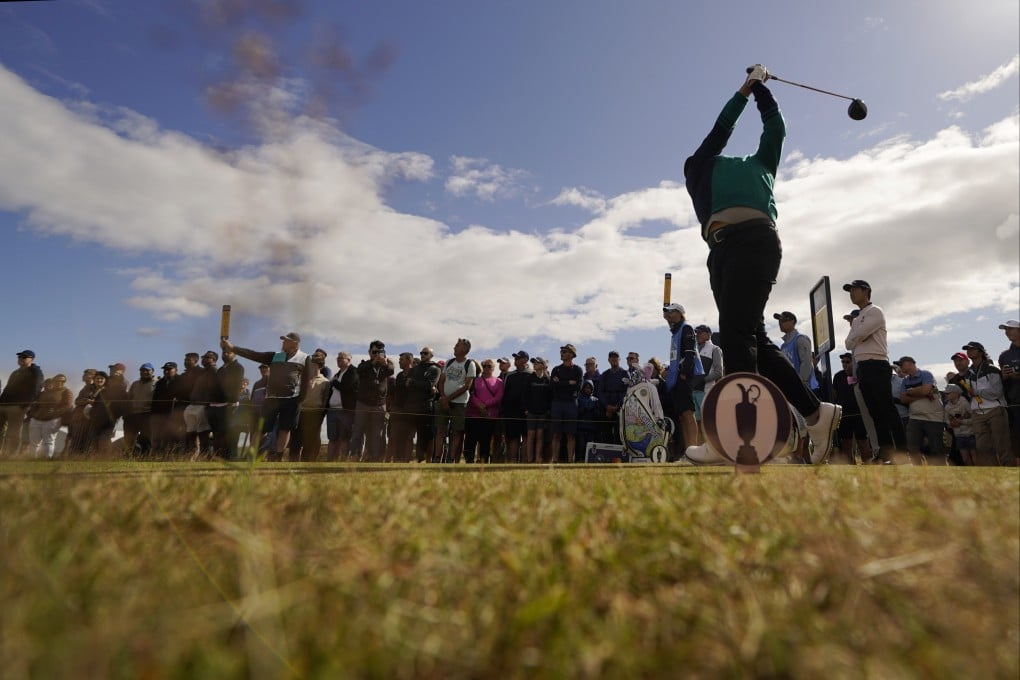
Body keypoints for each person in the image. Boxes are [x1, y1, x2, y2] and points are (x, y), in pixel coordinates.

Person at [682, 65, 841, 464]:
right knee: (752, 336)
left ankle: (737, 438)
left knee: (736, 334)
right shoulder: (698, 166)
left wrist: (761, 92)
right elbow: (720, 131)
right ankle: (815, 413)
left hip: (756, 241)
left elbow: (775, 130)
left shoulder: (763, 164)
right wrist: (744, 89)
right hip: (719, 253)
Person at [843, 280, 907, 462]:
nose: (851, 293)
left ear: (866, 291)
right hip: (863, 367)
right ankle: (886, 453)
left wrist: (858, 335)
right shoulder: (857, 319)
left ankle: (902, 452)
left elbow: (859, 335)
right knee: (874, 412)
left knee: (886, 409)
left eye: (854, 289)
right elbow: (848, 343)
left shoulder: (875, 311)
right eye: (850, 290)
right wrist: (858, 335)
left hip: (877, 364)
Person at [223, 331, 310, 462]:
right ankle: (250, 455)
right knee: (262, 428)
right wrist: (233, 348)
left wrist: (301, 399)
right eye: (283, 340)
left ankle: (278, 456)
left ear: (295, 344)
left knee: (285, 429)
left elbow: (307, 380)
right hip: (272, 399)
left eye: (286, 341)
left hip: (292, 399)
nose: (283, 343)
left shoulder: (305, 357)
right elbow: (254, 355)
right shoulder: (276, 356)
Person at [959, 341, 1011, 466]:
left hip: (995, 410)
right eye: (967, 349)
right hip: (977, 413)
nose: (969, 351)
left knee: (1002, 446)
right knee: (982, 448)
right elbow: (971, 395)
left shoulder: (992, 369)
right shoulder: (968, 373)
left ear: (981, 351)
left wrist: (976, 391)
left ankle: (1011, 475)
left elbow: (997, 392)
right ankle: (994, 478)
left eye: (972, 349)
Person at [662, 303, 701, 452]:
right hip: (676, 378)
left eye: (672, 312)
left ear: (680, 313)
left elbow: (689, 353)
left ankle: (694, 450)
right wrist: (669, 370)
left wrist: (684, 373)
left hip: (684, 377)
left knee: (688, 413)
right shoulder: (675, 331)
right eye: (668, 312)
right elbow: (676, 357)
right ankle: (688, 451)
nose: (669, 314)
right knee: (682, 416)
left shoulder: (686, 327)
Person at [896, 356, 945, 465]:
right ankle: (918, 472)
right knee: (912, 446)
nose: (900, 367)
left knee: (936, 448)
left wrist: (911, 391)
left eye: (901, 364)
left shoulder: (926, 374)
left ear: (910, 363)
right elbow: (903, 399)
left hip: (933, 417)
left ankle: (941, 473)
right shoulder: (905, 381)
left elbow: (926, 390)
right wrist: (922, 394)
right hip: (915, 417)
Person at [433, 338, 476, 463]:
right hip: (443, 400)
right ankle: (436, 457)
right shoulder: (449, 362)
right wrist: (443, 397)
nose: (454, 347)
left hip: (460, 403)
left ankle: (451, 458)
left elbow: (467, 386)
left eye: (457, 345)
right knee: (440, 430)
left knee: (456, 432)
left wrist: (448, 399)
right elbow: (441, 380)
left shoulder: (470, 364)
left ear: (464, 349)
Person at [351, 340, 394, 462]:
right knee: (358, 431)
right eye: (374, 352)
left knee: (377, 434)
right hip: (363, 403)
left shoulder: (387, 365)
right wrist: (373, 362)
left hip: (379, 404)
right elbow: (359, 371)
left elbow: (391, 370)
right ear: (369, 352)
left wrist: (384, 363)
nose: (376, 354)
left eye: (379, 352)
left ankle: (375, 459)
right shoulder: (364, 365)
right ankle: (354, 456)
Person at [0, 349, 45, 456]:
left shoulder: (35, 372)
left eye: (24, 357)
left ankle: (9, 454)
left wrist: (25, 404)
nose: (21, 359)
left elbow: (36, 389)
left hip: (18, 406)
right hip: (4, 405)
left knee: (12, 432)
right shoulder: (15, 373)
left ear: (32, 359)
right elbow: (7, 389)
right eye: (19, 357)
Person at [832, 353, 869, 464]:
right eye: (843, 362)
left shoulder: (860, 375)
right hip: (844, 414)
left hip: (859, 414)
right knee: (846, 443)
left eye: (847, 362)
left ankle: (868, 465)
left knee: (862, 442)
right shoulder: (838, 376)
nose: (844, 364)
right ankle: (850, 467)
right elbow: (835, 393)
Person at [464, 359, 504, 463]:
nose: (486, 368)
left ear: (493, 368)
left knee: (485, 440)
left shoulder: (499, 382)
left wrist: (485, 405)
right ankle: (469, 461)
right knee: (470, 440)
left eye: (489, 366)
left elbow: (499, 396)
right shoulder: (475, 380)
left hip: (490, 416)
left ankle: (483, 461)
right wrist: (480, 406)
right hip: (473, 415)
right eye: (484, 365)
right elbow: (471, 395)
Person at [550, 344, 583, 463]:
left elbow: (578, 387)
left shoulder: (578, 369)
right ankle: (555, 460)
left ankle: (570, 461)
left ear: (571, 354)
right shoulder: (556, 369)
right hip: (557, 403)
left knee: (571, 434)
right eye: (562, 351)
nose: (562, 353)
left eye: (564, 351)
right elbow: (553, 386)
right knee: (556, 434)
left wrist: (560, 383)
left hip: (571, 404)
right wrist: (569, 383)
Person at [27, 375, 73, 459]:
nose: (59, 382)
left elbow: (67, 406)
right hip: (36, 419)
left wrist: (55, 412)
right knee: (34, 441)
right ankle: (32, 459)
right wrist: (33, 414)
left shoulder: (66, 391)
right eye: (57, 381)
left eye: (62, 381)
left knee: (49, 441)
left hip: (52, 420)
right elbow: (35, 404)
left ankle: (47, 458)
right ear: (54, 381)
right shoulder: (45, 392)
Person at [692, 324, 723, 444]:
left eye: (700, 332)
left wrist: (702, 380)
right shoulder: (694, 349)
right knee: (697, 424)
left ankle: (712, 448)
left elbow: (718, 372)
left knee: (708, 423)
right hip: (693, 391)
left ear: (708, 334)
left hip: (706, 391)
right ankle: (699, 449)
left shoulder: (715, 349)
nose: (697, 335)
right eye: (697, 333)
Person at [295, 354, 330, 461]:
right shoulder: (302, 379)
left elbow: (325, 400)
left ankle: (306, 460)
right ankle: (293, 460)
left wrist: (321, 414)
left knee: (310, 440)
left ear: (316, 366)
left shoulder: (325, 382)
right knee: (296, 439)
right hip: (301, 411)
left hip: (315, 413)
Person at [325, 352, 358, 461]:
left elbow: (346, 387)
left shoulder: (353, 371)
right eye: (337, 358)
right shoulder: (338, 374)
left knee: (344, 438)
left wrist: (334, 382)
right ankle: (329, 461)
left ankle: (343, 461)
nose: (338, 360)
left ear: (349, 359)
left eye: (341, 358)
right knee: (332, 438)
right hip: (332, 410)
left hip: (345, 410)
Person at [500, 351, 532, 463]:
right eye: (515, 358)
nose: (516, 360)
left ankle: (524, 461)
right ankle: (512, 461)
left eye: (518, 358)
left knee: (526, 437)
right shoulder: (510, 375)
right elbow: (505, 393)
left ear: (525, 360)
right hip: (511, 411)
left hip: (526, 411)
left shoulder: (531, 374)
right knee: (513, 437)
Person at [774, 311, 817, 392]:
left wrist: (800, 385)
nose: (780, 323)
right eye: (779, 321)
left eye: (783, 320)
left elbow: (806, 363)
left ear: (792, 321)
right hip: (790, 388)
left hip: (802, 388)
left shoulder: (801, 339)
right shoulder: (783, 346)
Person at [997, 319, 1020, 461]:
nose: (1007, 332)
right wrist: (1004, 376)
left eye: (1010, 329)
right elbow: (1002, 382)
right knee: (1017, 438)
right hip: (1014, 403)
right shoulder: (1004, 355)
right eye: (1006, 330)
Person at [123, 363, 156, 456]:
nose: (144, 372)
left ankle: (145, 458)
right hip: (133, 415)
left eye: (147, 370)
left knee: (146, 438)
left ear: (152, 371)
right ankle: (128, 457)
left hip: (147, 414)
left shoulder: (156, 383)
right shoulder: (135, 384)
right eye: (142, 370)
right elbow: (129, 398)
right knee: (129, 438)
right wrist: (127, 414)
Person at [525, 357, 552, 463]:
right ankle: (529, 459)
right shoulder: (529, 378)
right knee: (531, 435)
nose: (534, 364)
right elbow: (525, 395)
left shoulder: (548, 379)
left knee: (540, 436)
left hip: (543, 412)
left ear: (544, 365)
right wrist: (526, 409)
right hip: (531, 412)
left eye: (537, 362)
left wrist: (548, 410)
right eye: (534, 363)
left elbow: (550, 396)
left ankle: (537, 459)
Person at [598, 351, 628, 444]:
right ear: (608, 360)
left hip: (620, 410)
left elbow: (627, 392)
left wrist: (617, 407)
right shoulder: (605, 374)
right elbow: (600, 392)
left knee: (620, 435)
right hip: (606, 410)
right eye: (611, 357)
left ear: (619, 359)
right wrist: (607, 406)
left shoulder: (625, 374)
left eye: (616, 357)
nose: (614, 359)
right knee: (606, 435)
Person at [943, 384, 975, 465]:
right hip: (958, 436)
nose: (946, 395)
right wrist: (950, 423)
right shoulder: (947, 407)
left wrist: (961, 422)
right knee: (966, 460)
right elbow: (946, 420)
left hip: (971, 434)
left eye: (948, 393)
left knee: (976, 458)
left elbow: (975, 419)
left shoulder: (965, 403)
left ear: (956, 393)